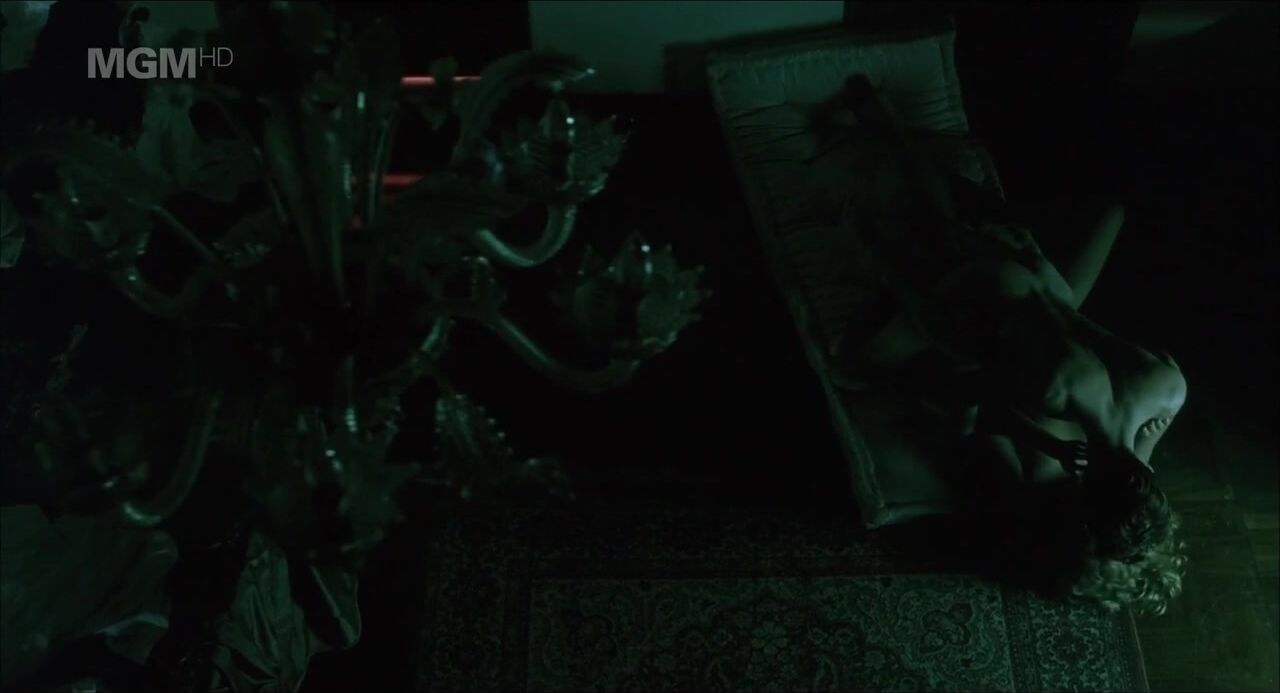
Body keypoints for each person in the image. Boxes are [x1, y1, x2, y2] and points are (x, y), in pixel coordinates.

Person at [815, 75, 1187, 614]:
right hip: (986, 283)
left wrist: (1091, 451)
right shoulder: (1052, 396)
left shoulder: (1169, 391)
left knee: (1080, 240)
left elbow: (1131, 460)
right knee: (860, 360)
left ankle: (914, 171)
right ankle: (886, 144)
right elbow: (966, 399)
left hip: (1043, 284)